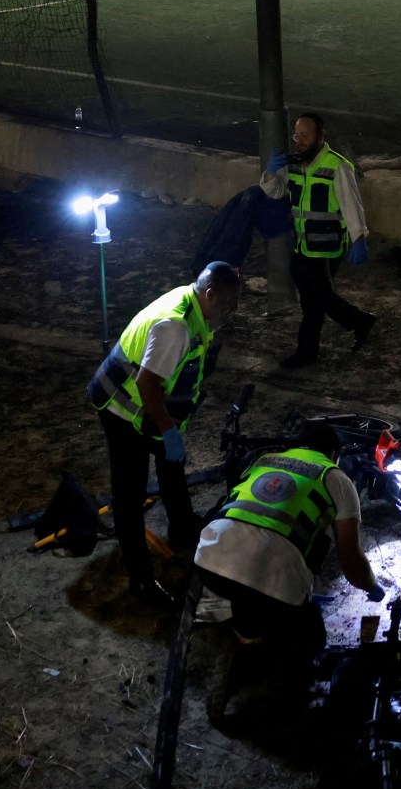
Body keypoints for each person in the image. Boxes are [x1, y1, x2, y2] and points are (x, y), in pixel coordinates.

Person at [87, 262, 242, 608]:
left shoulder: (196, 307)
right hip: (121, 407)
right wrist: (168, 430)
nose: (234, 311)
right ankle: (140, 578)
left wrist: (170, 431)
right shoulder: (175, 326)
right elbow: (147, 383)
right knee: (129, 493)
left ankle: (183, 527)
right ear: (210, 295)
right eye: (230, 303)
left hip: (147, 407)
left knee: (173, 462)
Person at [193, 421, 384, 657]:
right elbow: (351, 559)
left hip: (208, 565)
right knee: (312, 641)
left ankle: (248, 633)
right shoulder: (336, 478)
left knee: (245, 584)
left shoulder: (263, 459)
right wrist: (371, 586)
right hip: (276, 588)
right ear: (333, 454)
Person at [266, 112, 375, 369]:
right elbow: (273, 192)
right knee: (315, 298)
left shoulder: (337, 165)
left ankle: (308, 351)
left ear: (320, 136)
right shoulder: (293, 164)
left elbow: (351, 204)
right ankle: (358, 322)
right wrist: (271, 172)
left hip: (326, 248)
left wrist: (359, 237)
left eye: (306, 136)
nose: (300, 141)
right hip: (302, 245)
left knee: (314, 300)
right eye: (297, 136)